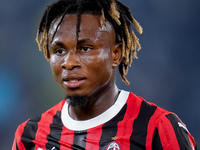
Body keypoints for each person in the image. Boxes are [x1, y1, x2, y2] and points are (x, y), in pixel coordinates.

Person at [12, 0, 197, 149]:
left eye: (85, 48)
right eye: (59, 51)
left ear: (116, 54)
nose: (69, 62)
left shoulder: (157, 128)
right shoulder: (30, 136)